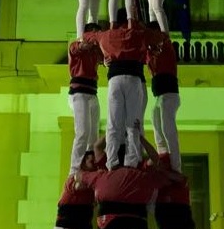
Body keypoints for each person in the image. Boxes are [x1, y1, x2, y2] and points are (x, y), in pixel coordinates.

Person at [84, 17, 162, 169]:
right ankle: (132, 160)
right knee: (132, 124)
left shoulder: (107, 35)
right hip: (134, 79)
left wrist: (102, 51)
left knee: (113, 124)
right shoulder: (138, 33)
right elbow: (160, 38)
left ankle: (111, 161)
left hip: (115, 80)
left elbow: (86, 36)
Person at [68, 23, 103, 175]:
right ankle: (74, 170)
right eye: (94, 33)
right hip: (79, 92)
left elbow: (105, 57)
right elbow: (77, 48)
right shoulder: (76, 45)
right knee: (82, 132)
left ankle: (89, 165)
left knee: (93, 134)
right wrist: (85, 43)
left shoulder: (96, 51)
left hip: (92, 93)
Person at [146, 24, 181, 172]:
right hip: (159, 96)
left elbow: (164, 35)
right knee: (156, 122)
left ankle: (175, 166)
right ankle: (164, 157)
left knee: (168, 130)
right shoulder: (150, 52)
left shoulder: (166, 46)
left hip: (169, 94)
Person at [52, 152, 96, 229]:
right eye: (90, 160)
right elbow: (79, 186)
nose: (93, 161)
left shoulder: (92, 188)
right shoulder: (73, 180)